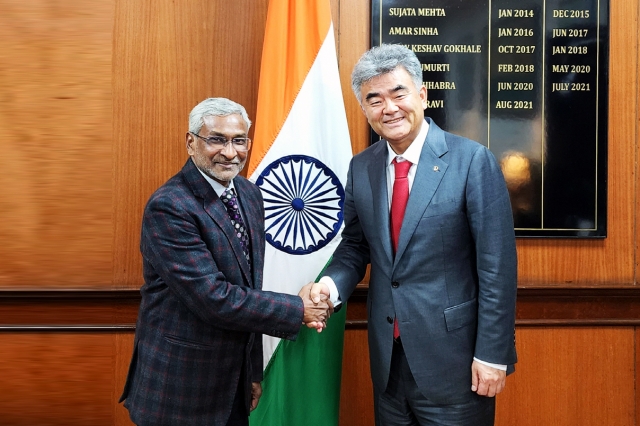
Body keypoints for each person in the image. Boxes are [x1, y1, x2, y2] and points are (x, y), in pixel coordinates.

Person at [307, 44, 518, 425]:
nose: (388, 107)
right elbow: (356, 246)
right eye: (374, 99)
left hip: (456, 366)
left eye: (398, 93)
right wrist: (330, 286)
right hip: (388, 367)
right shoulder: (361, 168)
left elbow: (497, 268)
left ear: (421, 94)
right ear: (365, 109)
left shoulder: (472, 161)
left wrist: (492, 354)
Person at [119, 97, 332, 426]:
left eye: (239, 140)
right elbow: (214, 297)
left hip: (234, 383)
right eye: (216, 139)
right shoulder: (170, 206)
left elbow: (249, 285)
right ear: (191, 143)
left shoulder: (249, 193)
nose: (230, 152)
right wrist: (298, 308)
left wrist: (252, 370)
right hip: (180, 389)